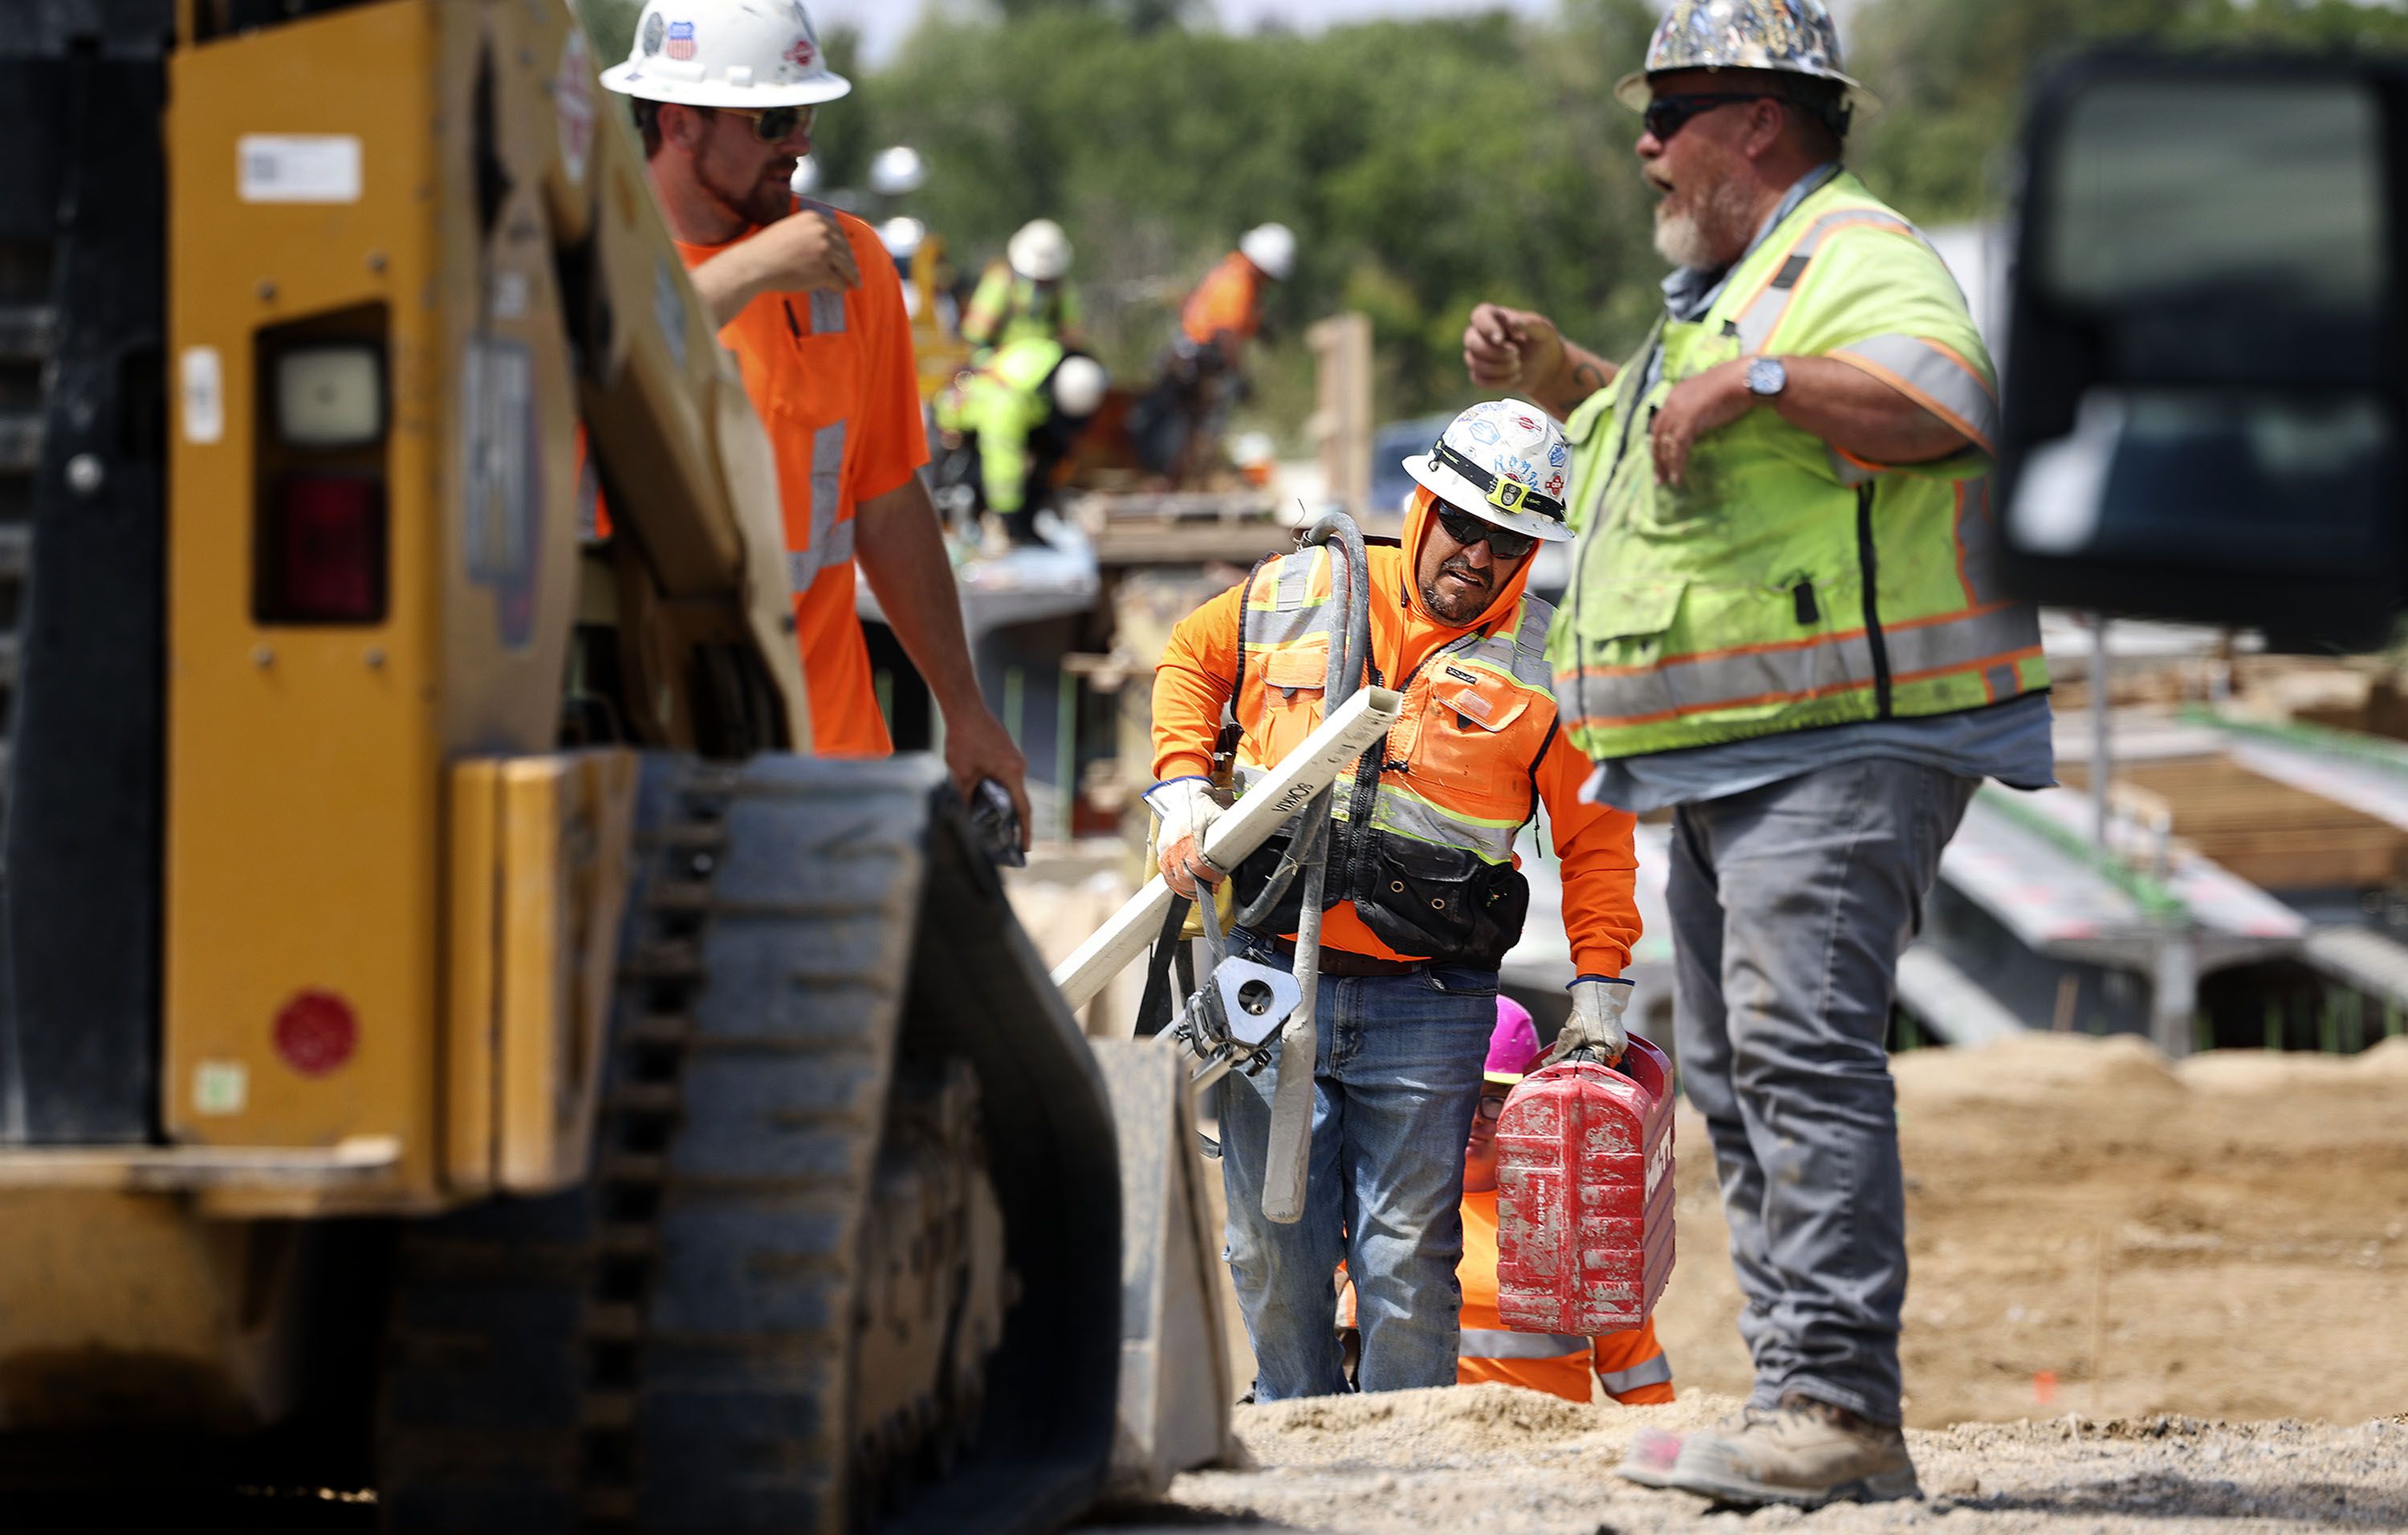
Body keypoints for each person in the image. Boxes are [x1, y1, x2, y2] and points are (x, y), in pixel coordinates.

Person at [1460, 0, 2051, 1509]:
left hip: (1850, 738)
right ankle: (1800, 1392)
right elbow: (1650, 447)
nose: (1647, 144)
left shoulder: (1851, 256)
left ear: (1761, 122)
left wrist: (1768, 378)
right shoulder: (1728, 293)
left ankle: (1843, 1405)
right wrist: (1560, 375)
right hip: (1740, 750)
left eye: (1673, 112)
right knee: (1733, 1068)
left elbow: (1949, 400)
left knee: (1801, 1056)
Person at [1147, 401, 1643, 1400]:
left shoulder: (1548, 665)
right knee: (1267, 1251)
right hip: (1266, 976)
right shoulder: (1305, 587)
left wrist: (1600, 985)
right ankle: (1296, 1439)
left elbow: (1598, 839)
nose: (1478, 554)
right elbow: (1190, 661)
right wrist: (1179, 788)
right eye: (1464, 523)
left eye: (1510, 541)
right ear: (1423, 503)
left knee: (1405, 1262)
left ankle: (1405, 1467)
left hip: (1429, 1001)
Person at [600, 0, 1027, 827]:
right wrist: (747, 273)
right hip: (645, 770)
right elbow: (594, 356)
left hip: (823, 763)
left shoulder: (848, 263)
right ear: (680, 124)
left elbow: (887, 501)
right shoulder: (588, 254)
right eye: (773, 119)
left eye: (804, 115)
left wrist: (965, 708)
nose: (799, 140)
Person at [1336, 996, 1674, 1405]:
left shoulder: (1575, 1218)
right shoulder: (1374, 1207)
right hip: (1418, 1442)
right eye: (1460, 1097)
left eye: (1495, 1099)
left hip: (1545, 1446)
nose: (1475, 1117)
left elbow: (1639, 1379)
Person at [1133, 222, 1295, 482]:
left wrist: (1260, 329)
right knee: (1197, 429)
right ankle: (1176, 482)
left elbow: (1234, 318)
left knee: (1191, 426)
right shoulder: (1238, 283)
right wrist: (1239, 377)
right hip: (1197, 363)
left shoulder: (1236, 276)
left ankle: (1180, 481)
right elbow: (1226, 335)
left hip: (1192, 358)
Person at [933, 339, 1108, 545]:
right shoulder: (1007, 405)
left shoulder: (1051, 360)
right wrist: (1014, 522)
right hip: (961, 431)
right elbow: (1002, 468)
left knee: (1050, 455)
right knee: (979, 481)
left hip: (1022, 414)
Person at [959, 218, 1084, 354]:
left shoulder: (1061, 288)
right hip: (1001, 358)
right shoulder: (1002, 281)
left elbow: (1072, 334)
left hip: (1048, 359)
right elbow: (976, 332)